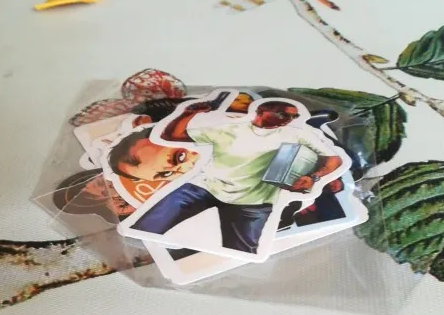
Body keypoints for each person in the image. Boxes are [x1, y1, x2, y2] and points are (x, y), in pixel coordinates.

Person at [127, 99, 343, 255]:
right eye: (282, 114)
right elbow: (172, 136)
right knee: (141, 230)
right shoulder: (229, 129)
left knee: (241, 255)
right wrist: (187, 114)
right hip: (204, 188)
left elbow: (334, 159)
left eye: (293, 116)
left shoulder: (296, 134)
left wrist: (314, 177)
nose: (288, 120)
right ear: (260, 111)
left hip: (253, 201)